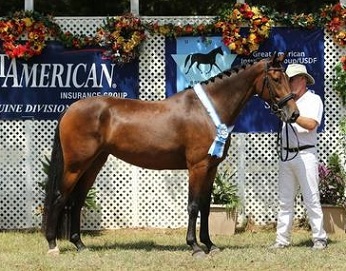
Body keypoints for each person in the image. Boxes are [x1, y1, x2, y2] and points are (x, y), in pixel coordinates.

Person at [270, 63, 327, 250]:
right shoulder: (289, 101)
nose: (290, 82)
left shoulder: (314, 100)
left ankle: (319, 238)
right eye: (288, 79)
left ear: (303, 80)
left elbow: (311, 124)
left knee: (311, 198)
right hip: (287, 155)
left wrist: (292, 116)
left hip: (306, 154)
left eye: (292, 79)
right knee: (285, 200)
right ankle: (281, 240)